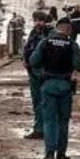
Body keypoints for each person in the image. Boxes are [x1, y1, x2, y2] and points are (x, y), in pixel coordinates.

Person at [28, 16, 80, 159]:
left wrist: (41, 73)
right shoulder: (72, 45)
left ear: (57, 27)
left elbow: (33, 61)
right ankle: (61, 153)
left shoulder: (45, 42)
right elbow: (79, 66)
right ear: (69, 30)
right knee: (63, 121)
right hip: (65, 86)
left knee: (49, 120)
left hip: (48, 85)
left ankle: (49, 153)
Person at [21, 9, 52, 140]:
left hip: (46, 73)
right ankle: (38, 129)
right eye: (35, 20)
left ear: (46, 22)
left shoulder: (50, 34)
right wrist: (24, 60)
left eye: (40, 20)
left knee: (47, 103)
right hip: (33, 72)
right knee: (36, 102)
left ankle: (48, 129)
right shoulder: (34, 33)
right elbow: (27, 47)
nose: (37, 23)